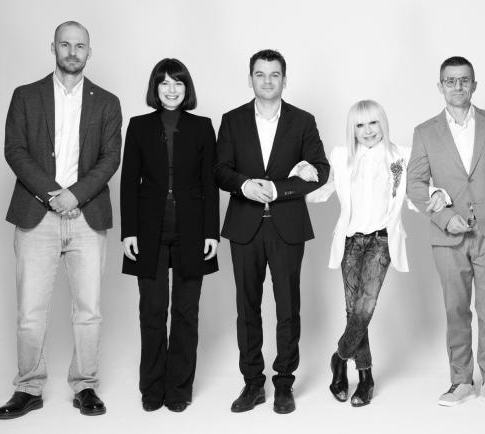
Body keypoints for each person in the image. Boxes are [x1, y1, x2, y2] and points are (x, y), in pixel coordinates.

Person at [0, 21, 121, 419]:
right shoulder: (25, 96)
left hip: (87, 216)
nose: (72, 51)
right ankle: (28, 387)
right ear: (53, 47)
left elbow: (111, 158)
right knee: (30, 311)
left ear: (89, 52)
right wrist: (54, 194)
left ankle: (85, 385)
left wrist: (75, 195)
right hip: (37, 215)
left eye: (79, 46)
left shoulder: (107, 102)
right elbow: (15, 150)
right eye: (65, 44)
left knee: (88, 310)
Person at [406, 56, 485, 411]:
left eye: (464, 80)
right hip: (448, 238)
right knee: (455, 309)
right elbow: (415, 184)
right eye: (450, 80)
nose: (457, 86)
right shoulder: (425, 131)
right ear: (440, 86)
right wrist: (445, 217)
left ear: (474, 85)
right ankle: (460, 380)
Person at [214, 49, 329, 414]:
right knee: (246, 308)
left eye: (274, 74)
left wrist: (280, 189)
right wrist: (244, 185)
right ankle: (252, 384)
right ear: (250, 79)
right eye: (260, 74)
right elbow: (219, 169)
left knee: (287, 308)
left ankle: (283, 383)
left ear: (284, 79)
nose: (267, 80)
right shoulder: (232, 120)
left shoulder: (303, 121)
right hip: (244, 226)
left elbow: (321, 170)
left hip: (287, 227)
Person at [119, 58, 219, 413]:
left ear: (186, 88)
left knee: (186, 312)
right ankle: (151, 388)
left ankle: (179, 388)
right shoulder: (138, 126)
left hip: (193, 231)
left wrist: (212, 233)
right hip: (149, 231)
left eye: (178, 83)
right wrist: (129, 232)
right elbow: (128, 182)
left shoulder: (203, 127)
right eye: (164, 83)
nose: (171, 89)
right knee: (152, 310)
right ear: (155, 88)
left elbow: (210, 183)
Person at [304, 100, 415, 407]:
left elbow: (417, 191)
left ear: (383, 123)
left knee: (365, 307)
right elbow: (322, 190)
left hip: (382, 240)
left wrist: (439, 197)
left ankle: (339, 358)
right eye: (360, 125)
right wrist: (300, 178)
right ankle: (365, 378)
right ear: (352, 129)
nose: (367, 131)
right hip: (350, 242)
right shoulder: (341, 156)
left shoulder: (401, 155)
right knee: (353, 311)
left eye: (373, 123)